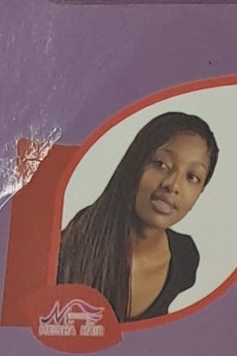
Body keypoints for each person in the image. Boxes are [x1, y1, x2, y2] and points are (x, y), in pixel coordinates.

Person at [56, 109, 219, 323]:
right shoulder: (67, 251)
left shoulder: (185, 257)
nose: (172, 184)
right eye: (161, 164)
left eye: (192, 177)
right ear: (135, 163)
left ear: (200, 192)